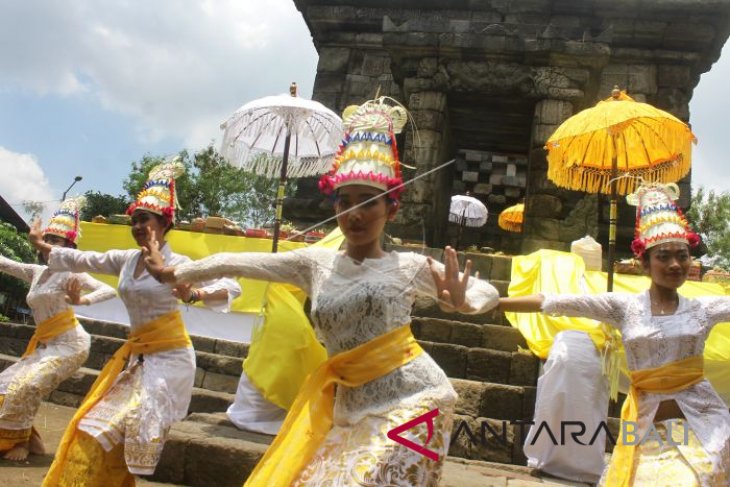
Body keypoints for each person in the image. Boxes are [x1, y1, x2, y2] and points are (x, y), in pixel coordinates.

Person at [144, 98, 501, 487]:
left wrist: (465, 301)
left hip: (417, 401)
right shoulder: (314, 264)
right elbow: (236, 261)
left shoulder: (409, 266)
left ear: (391, 210)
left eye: (368, 202)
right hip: (348, 406)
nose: (355, 214)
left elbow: (486, 292)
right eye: (345, 202)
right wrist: (175, 272)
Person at [500, 182, 729, 486]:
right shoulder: (624, 308)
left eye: (682, 255)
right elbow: (553, 301)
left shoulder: (703, 309)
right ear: (644, 262)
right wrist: (491, 301)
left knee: (691, 479)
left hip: (702, 421)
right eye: (663, 256)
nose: (675, 264)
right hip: (647, 421)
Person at [30, 161, 241, 487]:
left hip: (170, 361)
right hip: (138, 359)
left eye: (144, 219)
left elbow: (233, 287)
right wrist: (41, 245)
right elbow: (80, 259)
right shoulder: (125, 260)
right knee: (91, 429)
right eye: (134, 220)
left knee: (127, 426)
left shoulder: (179, 265)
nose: (138, 226)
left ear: (164, 223)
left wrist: (194, 292)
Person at [0, 196, 116, 462]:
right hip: (46, 345)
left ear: (68, 248)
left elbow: (108, 289)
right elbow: (4, 263)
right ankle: (30, 439)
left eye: (56, 241)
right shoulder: (37, 272)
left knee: (29, 385)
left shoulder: (72, 274)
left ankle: (20, 443)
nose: (49, 245)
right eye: (47, 239)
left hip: (71, 346)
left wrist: (82, 300)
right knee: (6, 383)